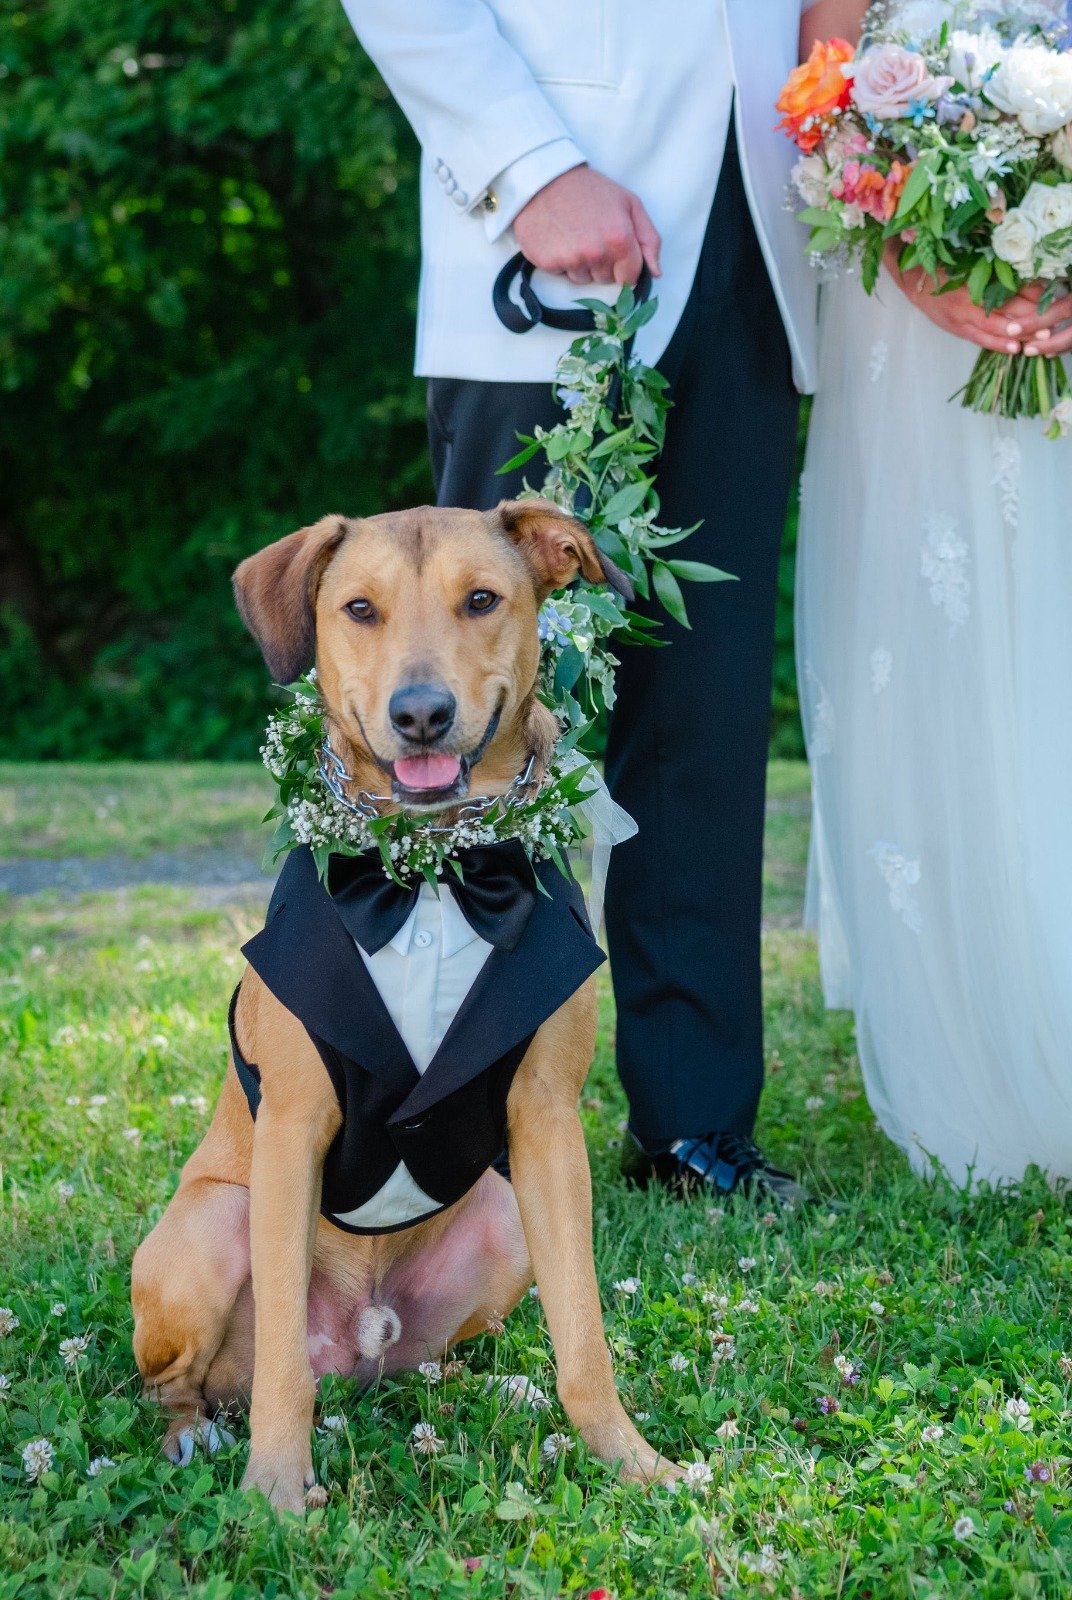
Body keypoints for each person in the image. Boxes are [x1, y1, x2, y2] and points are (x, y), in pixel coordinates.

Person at [337, 0, 824, 1202]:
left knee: (702, 723)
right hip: (542, 242)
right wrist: (530, 167)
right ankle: (447, 1134)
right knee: (469, 720)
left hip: (752, 241)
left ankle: (694, 1126)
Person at [797, 0, 1072, 1184]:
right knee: (942, 656)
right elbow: (826, 85)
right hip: (908, 311)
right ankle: (985, 1053)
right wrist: (925, 273)